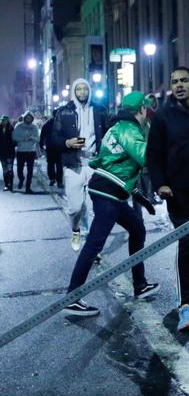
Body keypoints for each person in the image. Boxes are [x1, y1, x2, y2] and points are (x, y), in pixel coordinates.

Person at [64, 91, 160, 316]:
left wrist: (139, 196)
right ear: (142, 110)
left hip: (110, 191)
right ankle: (72, 296)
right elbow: (145, 156)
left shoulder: (116, 127)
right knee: (94, 244)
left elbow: (117, 164)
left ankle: (140, 284)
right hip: (108, 193)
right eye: (147, 110)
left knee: (137, 227)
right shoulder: (128, 129)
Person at [147, 67, 189, 330]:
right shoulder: (162, 116)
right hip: (178, 193)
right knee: (187, 243)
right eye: (174, 82)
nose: (179, 85)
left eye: (184, 80)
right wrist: (160, 183)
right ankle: (185, 306)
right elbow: (154, 154)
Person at [51, 78, 108, 251]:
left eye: (85, 89)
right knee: (75, 208)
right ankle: (76, 230)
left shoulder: (99, 110)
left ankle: (93, 248)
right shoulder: (63, 112)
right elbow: (53, 138)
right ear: (74, 92)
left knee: (94, 209)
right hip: (73, 165)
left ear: (89, 90)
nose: (82, 92)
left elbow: (108, 133)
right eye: (78, 89)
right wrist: (68, 142)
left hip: (94, 164)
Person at [12, 111, 39, 194]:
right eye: (27, 117)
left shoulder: (34, 127)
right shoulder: (19, 126)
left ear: (32, 118)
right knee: (19, 169)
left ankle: (28, 187)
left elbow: (37, 138)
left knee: (30, 170)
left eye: (30, 118)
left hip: (31, 151)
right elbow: (14, 137)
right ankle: (21, 179)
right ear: (24, 118)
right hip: (21, 151)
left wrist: (32, 139)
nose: (28, 119)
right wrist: (24, 138)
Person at [40, 112, 64, 188]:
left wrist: (42, 145)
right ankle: (59, 181)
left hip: (50, 147)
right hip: (58, 147)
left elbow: (42, 136)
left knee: (51, 164)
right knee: (59, 164)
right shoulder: (62, 124)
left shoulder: (47, 124)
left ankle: (52, 179)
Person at [0, 115, 15, 191]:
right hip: (2, 153)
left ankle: (11, 185)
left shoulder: (11, 129)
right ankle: (6, 185)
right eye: (2, 120)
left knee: (10, 169)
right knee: (5, 169)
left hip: (10, 152)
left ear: (7, 121)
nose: (3, 122)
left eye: (5, 120)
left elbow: (14, 140)